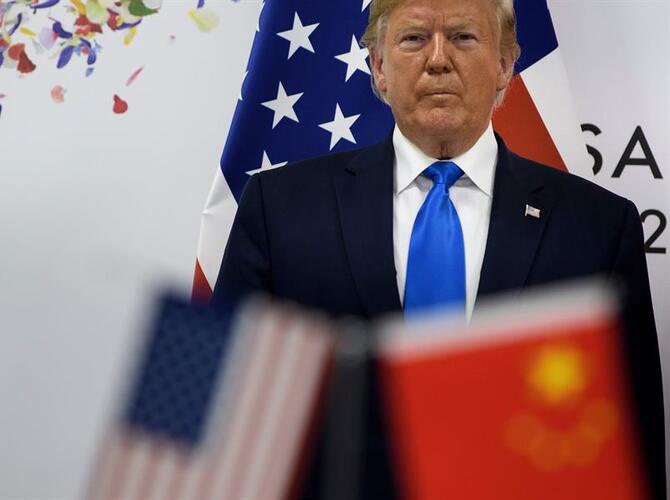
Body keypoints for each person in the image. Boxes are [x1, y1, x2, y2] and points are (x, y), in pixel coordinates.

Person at [213, 0, 665, 497]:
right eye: (413, 39)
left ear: (505, 64)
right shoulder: (280, 208)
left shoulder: (597, 228)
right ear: (378, 67)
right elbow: (224, 415)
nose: (437, 60)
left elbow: (632, 451)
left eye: (463, 37)